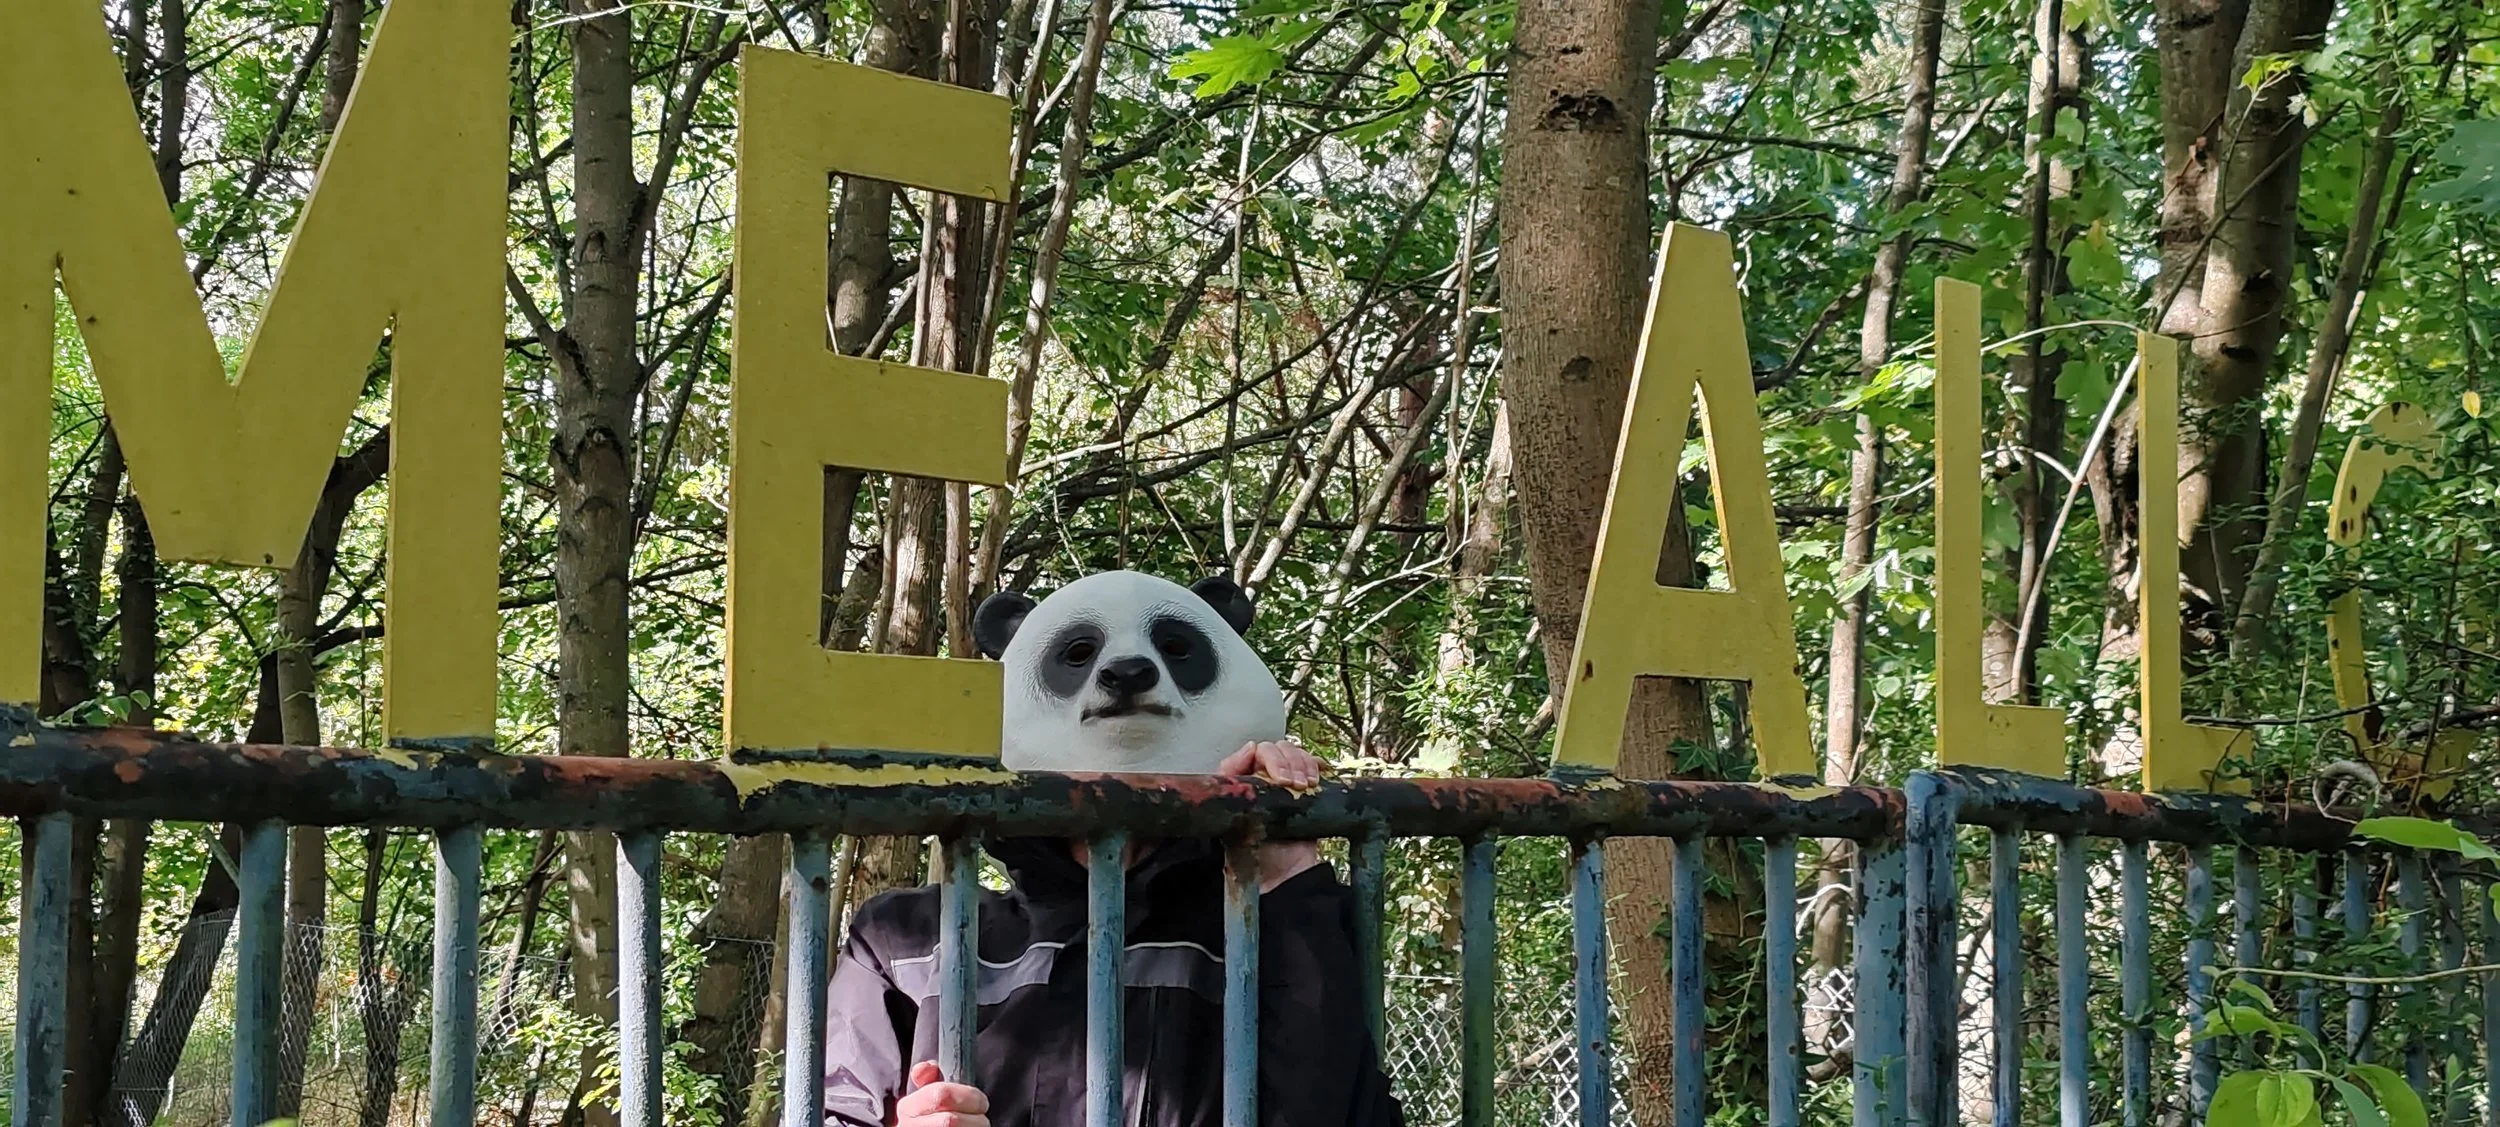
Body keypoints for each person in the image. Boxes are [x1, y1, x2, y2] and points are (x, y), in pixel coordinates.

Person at [823, 739, 1406, 1127]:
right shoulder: (905, 937)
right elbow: (835, 1112)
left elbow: (1340, 1112)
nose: (1122, 682)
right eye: (1078, 659)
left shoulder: (1271, 930)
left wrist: (1285, 873)